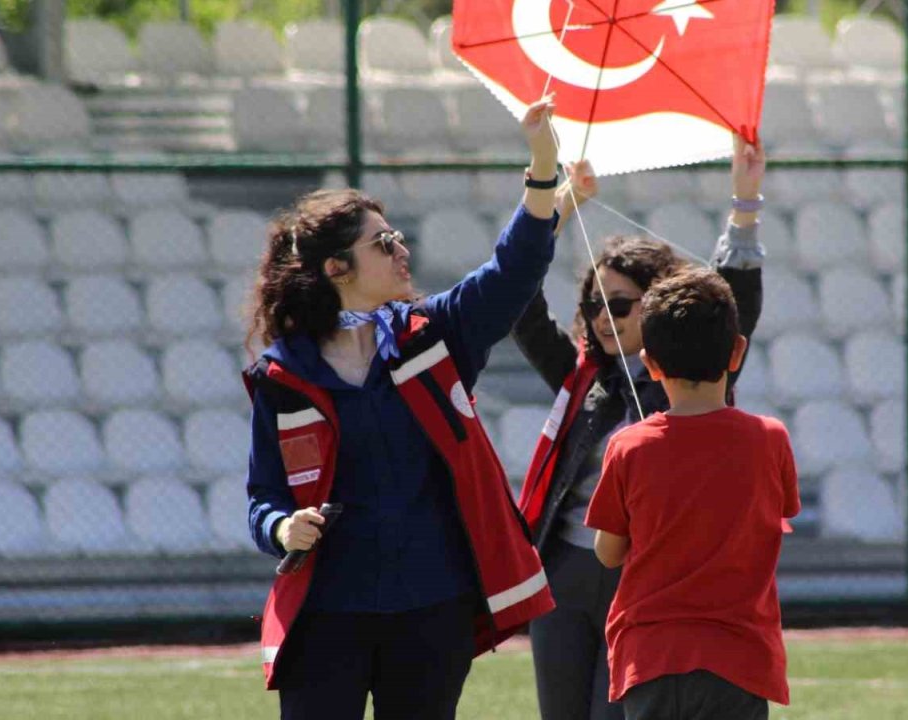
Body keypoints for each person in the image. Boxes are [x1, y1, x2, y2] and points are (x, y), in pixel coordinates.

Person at [241, 97, 561, 720]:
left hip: (431, 609)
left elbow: (513, 271)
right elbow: (263, 498)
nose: (400, 250)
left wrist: (543, 166)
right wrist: (282, 527)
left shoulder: (434, 335)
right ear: (337, 268)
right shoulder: (283, 376)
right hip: (327, 611)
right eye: (382, 243)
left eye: (397, 238)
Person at [512, 134, 768, 720]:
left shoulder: (691, 378)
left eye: (621, 305)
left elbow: (736, 305)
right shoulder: (581, 377)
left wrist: (745, 207)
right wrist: (560, 209)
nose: (604, 316)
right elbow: (520, 305)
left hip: (642, 578)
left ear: (656, 309)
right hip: (565, 571)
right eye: (596, 303)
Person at [587, 267, 800, 720]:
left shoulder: (628, 446)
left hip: (651, 658)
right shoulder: (770, 439)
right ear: (737, 351)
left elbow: (607, 553)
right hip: (739, 659)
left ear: (650, 362)